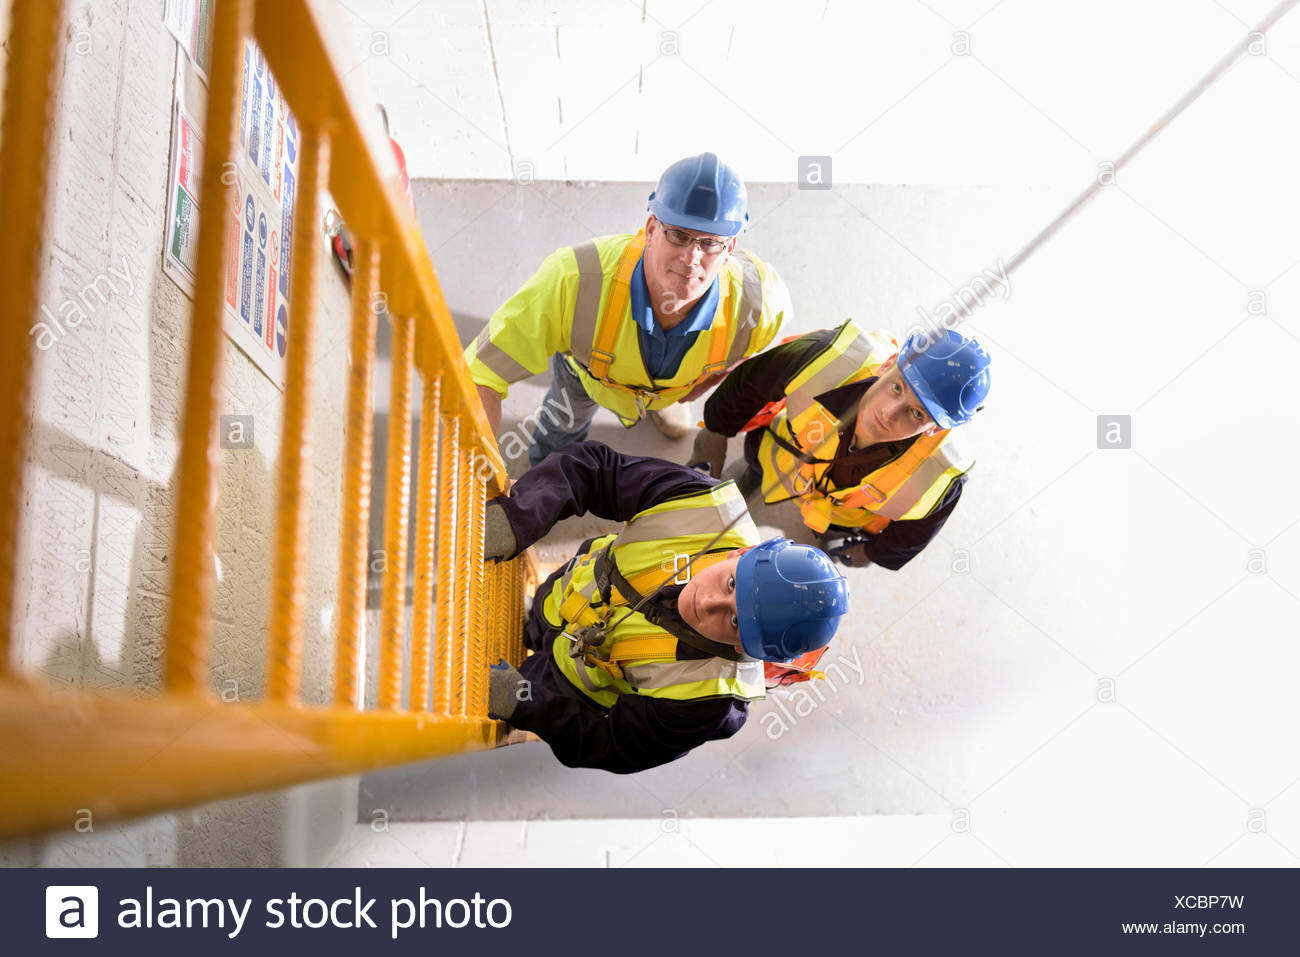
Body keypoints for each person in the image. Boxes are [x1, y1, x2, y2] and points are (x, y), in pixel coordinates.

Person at [482, 441, 849, 774]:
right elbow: (593, 471)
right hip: (565, 591)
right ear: (742, 552)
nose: (706, 603)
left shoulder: (706, 701)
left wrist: (525, 703)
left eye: (735, 621)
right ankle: (533, 620)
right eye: (731, 583)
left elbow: (614, 747)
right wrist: (517, 519)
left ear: (744, 650)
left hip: (563, 685)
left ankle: (530, 659)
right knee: (534, 616)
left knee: (496, 685)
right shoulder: (705, 508)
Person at [465, 153, 792, 465]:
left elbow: (755, 357)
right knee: (561, 431)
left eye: (709, 243)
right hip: (588, 378)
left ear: (730, 247)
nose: (692, 259)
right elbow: (481, 373)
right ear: (651, 229)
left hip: (676, 385)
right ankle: (550, 473)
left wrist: (699, 387)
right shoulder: (573, 280)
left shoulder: (760, 302)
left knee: (668, 394)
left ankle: (660, 404)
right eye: (678, 235)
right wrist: (487, 472)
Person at [688, 323, 991, 570]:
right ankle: (753, 477)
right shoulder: (827, 359)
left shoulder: (939, 475)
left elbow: (913, 535)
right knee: (756, 461)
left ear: (935, 428)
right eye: (897, 387)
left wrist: (871, 552)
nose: (889, 412)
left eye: (916, 413)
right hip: (774, 455)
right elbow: (752, 381)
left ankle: (822, 535)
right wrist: (716, 429)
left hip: (842, 518)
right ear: (887, 365)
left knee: (829, 535)